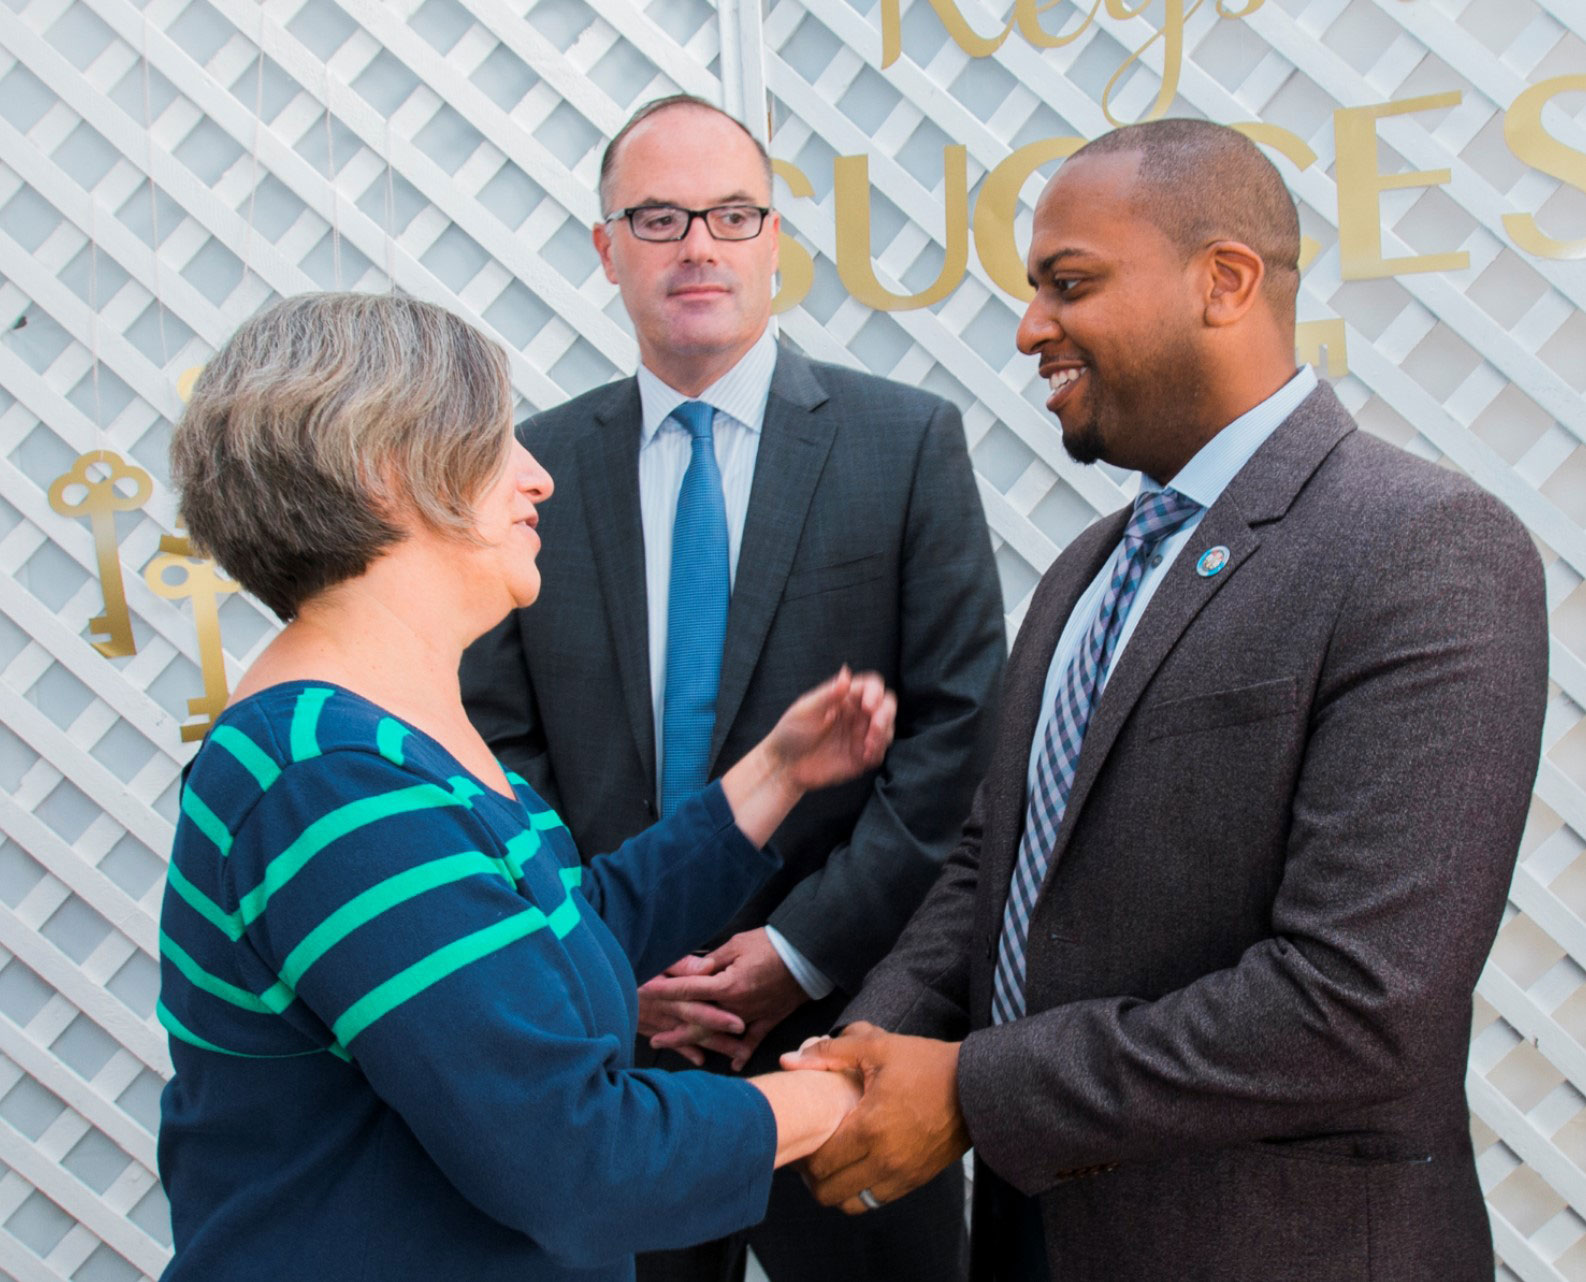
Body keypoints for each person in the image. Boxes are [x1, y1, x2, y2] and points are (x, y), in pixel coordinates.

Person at [784, 118, 1549, 1281]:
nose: (1032, 325)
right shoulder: (1084, 570)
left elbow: (1359, 1002)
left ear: (1224, 281)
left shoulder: (1424, 547)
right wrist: (871, 1051)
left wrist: (974, 1092)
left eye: (1069, 283)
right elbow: (992, 863)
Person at [155, 291, 894, 1282]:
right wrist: (845, 1095)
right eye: (496, 442)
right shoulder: (330, 782)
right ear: (389, 476)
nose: (536, 477)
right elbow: (575, 1157)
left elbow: (556, 927)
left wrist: (776, 772)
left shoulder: (383, 733)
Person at [461, 95, 1005, 1282]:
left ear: (773, 239)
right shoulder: (528, 472)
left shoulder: (903, 442)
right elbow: (499, 753)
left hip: (852, 1034)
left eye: (728, 213)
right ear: (605, 249)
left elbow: (958, 742)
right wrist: (612, 962)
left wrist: (796, 951)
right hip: (610, 1047)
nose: (695, 244)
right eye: (655, 218)